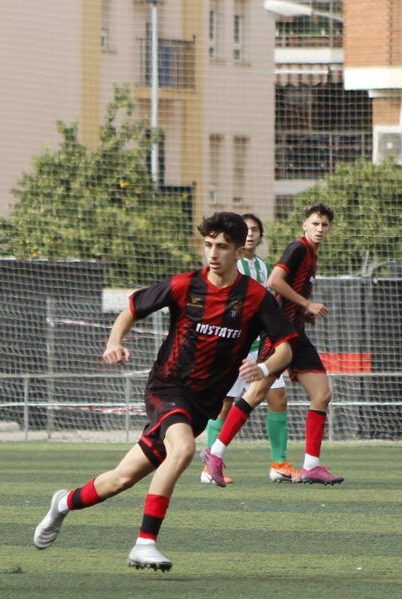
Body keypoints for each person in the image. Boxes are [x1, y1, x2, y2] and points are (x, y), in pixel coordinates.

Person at [32, 211, 297, 571]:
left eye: (222, 246)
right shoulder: (185, 285)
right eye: (208, 245)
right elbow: (131, 308)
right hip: (167, 388)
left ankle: (62, 504)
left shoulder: (254, 296)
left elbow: (287, 348)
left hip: (202, 404)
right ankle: (145, 542)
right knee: (185, 450)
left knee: (120, 479)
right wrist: (114, 342)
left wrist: (263, 367)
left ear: (238, 251)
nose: (213, 253)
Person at [202, 203, 343, 486]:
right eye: (315, 223)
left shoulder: (311, 256)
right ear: (305, 225)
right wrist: (307, 304)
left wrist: (303, 311)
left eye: (324, 225)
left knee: (322, 395)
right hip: (279, 335)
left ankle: (311, 465)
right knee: (255, 394)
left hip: (296, 334)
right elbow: (275, 281)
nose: (319, 229)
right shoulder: (298, 248)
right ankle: (215, 455)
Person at [200, 213, 298, 484]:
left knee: (278, 399)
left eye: (255, 229)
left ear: (260, 236)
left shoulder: (265, 268)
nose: (251, 233)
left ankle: (279, 463)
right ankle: (209, 466)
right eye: (247, 230)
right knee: (225, 405)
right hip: (237, 348)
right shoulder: (230, 265)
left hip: (264, 349)